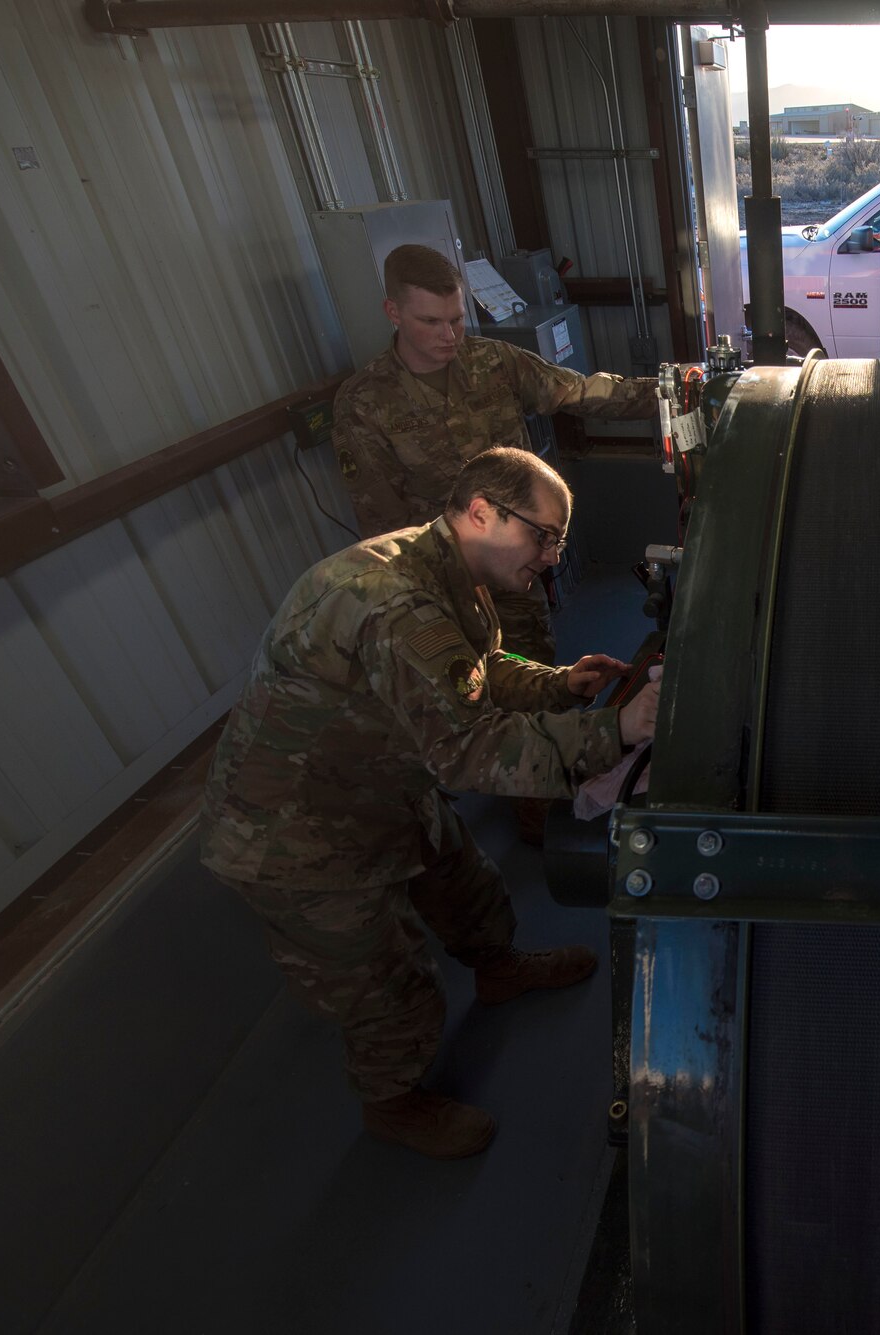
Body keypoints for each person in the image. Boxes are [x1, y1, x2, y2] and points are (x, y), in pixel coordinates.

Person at [201, 446, 661, 1159]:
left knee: (467, 885)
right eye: (544, 535)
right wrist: (617, 729)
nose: (550, 556)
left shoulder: (445, 566)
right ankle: (394, 1102)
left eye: (558, 540)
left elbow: (470, 676)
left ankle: (499, 968)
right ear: (482, 510)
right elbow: (470, 751)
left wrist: (559, 683)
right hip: (295, 830)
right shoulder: (391, 601)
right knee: (385, 986)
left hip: (384, 780)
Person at [334, 242, 658, 666]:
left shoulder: (493, 362)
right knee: (466, 687)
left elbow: (578, 391)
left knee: (535, 668)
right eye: (430, 321)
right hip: (443, 585)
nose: (449, 336)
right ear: (393, 312)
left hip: (515, 567)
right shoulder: (364, 402)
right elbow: (383, 522)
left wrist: (671, 392)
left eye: (456, 319)